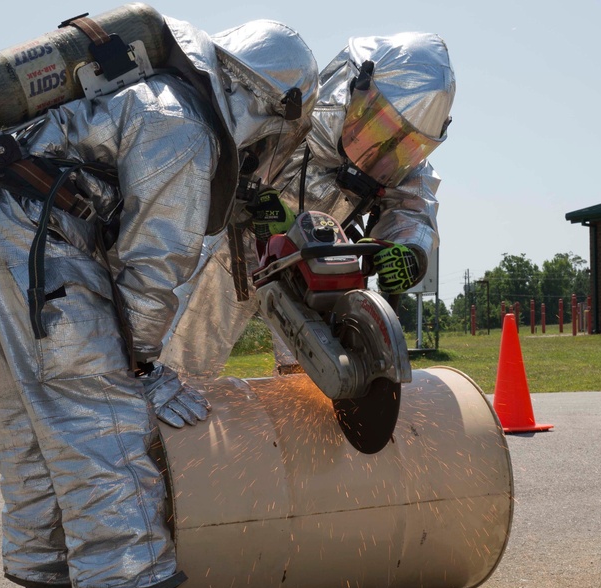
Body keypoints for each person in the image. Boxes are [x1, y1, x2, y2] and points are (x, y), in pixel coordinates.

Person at [0, 14, 317, 588]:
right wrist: (142, 365)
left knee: (32, 427)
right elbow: (154, 273)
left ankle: (50, 586)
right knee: (103, 419)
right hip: (45, 241)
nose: (265, 148)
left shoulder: (148, 85)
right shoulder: (187, 126)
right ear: (267, 102)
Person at [161, 32, 455, 379]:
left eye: (406, 143)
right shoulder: (297, 104)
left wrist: (409, 248)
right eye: (381, 129)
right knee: (182, 369)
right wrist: (248, 199)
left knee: (313, 379)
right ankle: (160, 428)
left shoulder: (404, 163)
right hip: (231, 253)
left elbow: (413, 206)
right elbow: (220, 152)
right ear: (354, 91)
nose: (385, 149)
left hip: (315, 264)